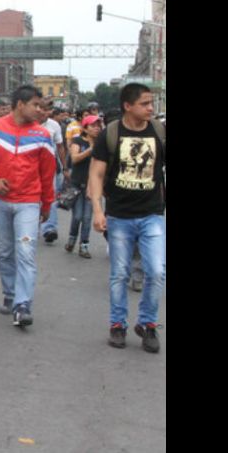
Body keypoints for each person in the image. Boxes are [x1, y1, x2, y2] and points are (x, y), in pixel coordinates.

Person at [0, 85, 55, 327]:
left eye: (41, 106)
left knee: (25, 252)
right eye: (35, 105)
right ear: (20, 104)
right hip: (0, 201)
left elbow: (48, 173)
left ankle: (22, 304)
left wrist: (47, 204)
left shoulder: (42, 135)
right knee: (5, 252)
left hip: (29, 202)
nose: (39, 110)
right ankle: (10, 293)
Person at [88, 83, 166, 353]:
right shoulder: (111, 133)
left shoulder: (158, 131)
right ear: (128, 106)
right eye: (145, 103)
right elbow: (96, 174)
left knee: (156, 271)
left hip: (152, 214)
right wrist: (98, 210)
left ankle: (148, 324)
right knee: (119, 274)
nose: (150, 108)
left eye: (151, 103)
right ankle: (117, 325)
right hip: (119, 216)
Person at [65, 114, 101, 259]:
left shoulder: (101, 143)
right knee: (77, 216)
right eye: (93, 126)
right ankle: (71, 239)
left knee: (87, 218)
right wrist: (90, 150)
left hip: (92, 186)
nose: (97, 128)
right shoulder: (78, 141)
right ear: (85, 128)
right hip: (76, 185)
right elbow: (74, 158)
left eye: (98, 125)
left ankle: (84, 246)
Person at [38, 97, 68, 244]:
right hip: (30, 167)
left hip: (50, 168)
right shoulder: (27, 123)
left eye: (48, 109)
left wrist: (65, 167)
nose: (45, 112)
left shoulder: (54, 125)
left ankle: (49, 228)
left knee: (51, 197)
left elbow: (60, 147)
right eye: (43, 108)